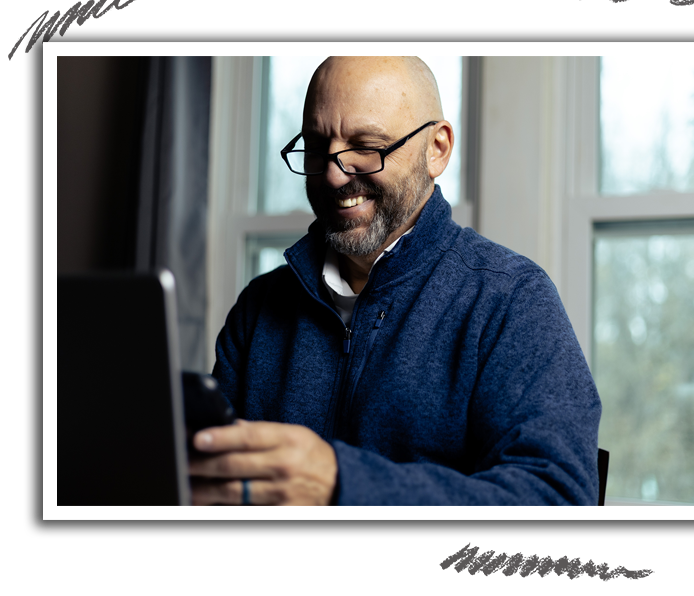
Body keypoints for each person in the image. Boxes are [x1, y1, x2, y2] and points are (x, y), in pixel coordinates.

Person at [188, 56, 602, 506]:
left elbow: (558, 498)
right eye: (316, 144)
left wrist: (341, 485)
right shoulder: (259, 306)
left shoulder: (512, 300)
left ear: (437, 149)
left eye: (366, 145)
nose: (332, 172)